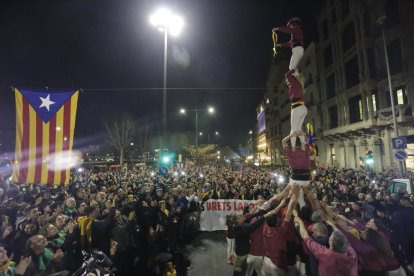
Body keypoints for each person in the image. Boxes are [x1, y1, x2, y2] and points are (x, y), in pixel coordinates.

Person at [282, 131, 310, 208]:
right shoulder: (305, 151)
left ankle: (294, 208)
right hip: (306, 178)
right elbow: (307, 142)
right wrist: (304, 135)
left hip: (296, 178)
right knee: (302, 198)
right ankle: (303, 208)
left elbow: (283, 141)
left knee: (294, 195)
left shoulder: (290, 153)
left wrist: (291, 135)